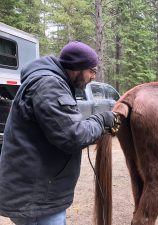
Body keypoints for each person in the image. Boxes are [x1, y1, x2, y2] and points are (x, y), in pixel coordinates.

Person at [0, 41, 118, 225]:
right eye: (91, 70)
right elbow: (73, 136)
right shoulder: (49, 86)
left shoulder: (51, 82)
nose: (93, 76)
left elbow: (63, 125)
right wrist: (101, 120)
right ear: (77, 68)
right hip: (37, 196)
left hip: (36, 188)